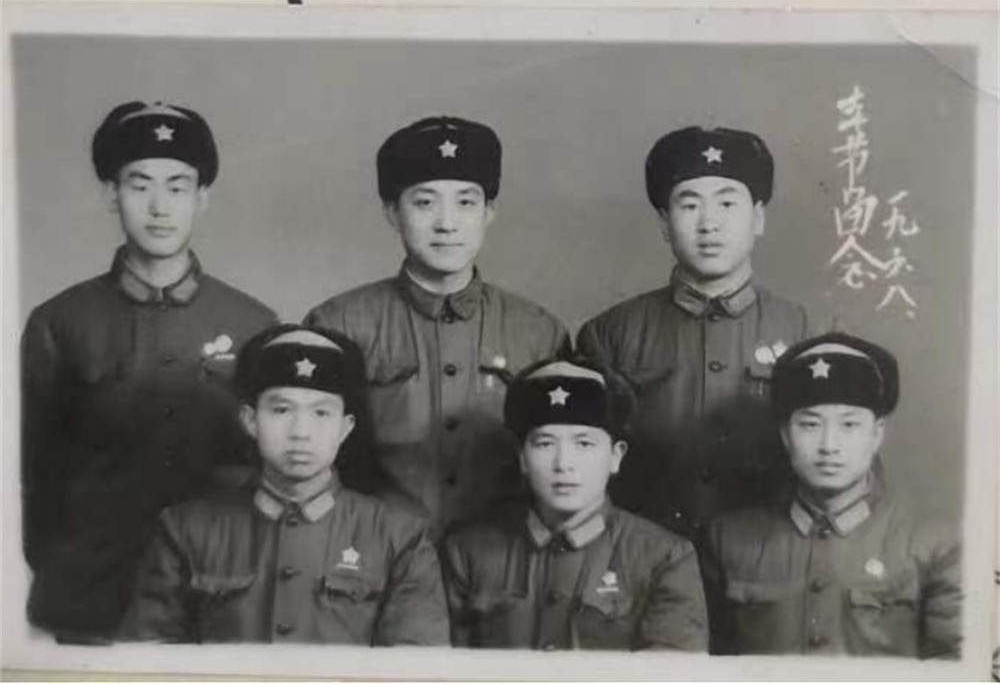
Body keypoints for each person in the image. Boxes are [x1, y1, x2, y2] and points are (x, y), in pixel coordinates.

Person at [20, 101, 278, 642]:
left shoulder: (252, 324)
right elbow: (37, 478)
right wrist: (65, 573)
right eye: (140, 185)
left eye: (178, 187)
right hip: (94, 596)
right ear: (110, 194)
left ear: (202, 197)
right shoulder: (60, 322)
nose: (160, 207)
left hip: (217, 595)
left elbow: (267, 474)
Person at [305, 116, 569, 535]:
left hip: (502, 560)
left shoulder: (539, 332)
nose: (447, 223)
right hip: (375, 556)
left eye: (466, 202)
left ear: (489, 212)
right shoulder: (339, 325)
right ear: (393, 213)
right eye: (425, 203)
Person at [577, 125, 835, 539]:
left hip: (768, 559)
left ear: (758, 217)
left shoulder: (808, 332)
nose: (709, 223)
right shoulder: (610, 335)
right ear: (664, 222)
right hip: (644, 560)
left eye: (727, 203)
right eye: (690, 204)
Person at [120, 325, 450, 645]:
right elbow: (145, 661)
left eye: (321, 413)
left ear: (345, 428)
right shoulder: (186, 530)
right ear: (251, 420)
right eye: (281, 410)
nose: (300, 432)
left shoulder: (399, 538)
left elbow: (417, 666)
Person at [701, 332, 962, 657]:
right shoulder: (727, 540)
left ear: (876, 434)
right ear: (785, 435)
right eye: (810, 425)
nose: (829, 445)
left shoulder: (934, 543)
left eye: (849, 425)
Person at [441, 357, 708, 651]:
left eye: (584, 444)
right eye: (545, 443)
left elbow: (671, 671)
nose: (564, 464)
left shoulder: (664, 558)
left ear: (616, 456)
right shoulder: (466, 553)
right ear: (522, 457)